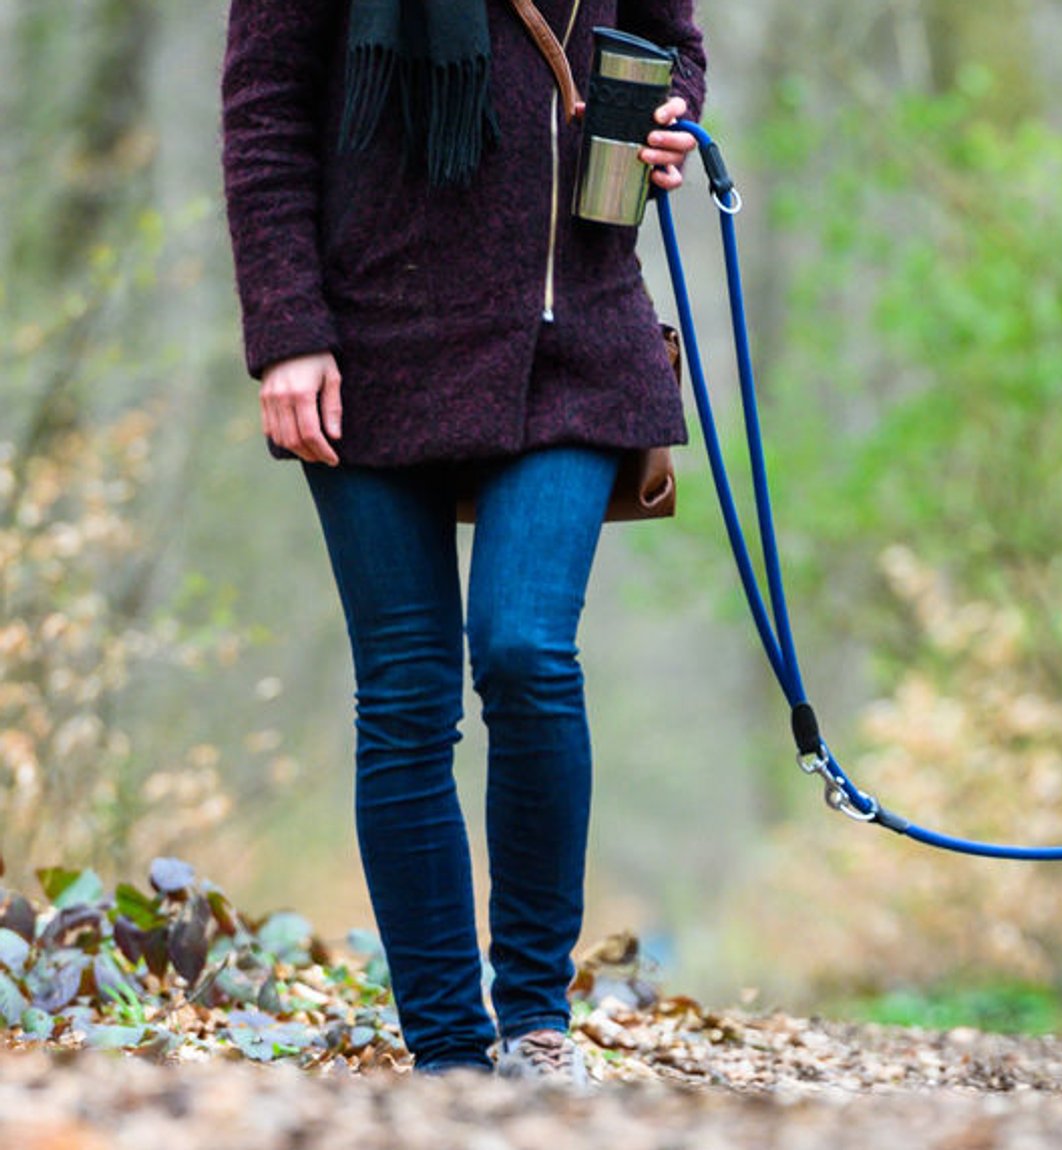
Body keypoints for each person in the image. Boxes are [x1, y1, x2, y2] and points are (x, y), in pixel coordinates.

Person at [220, 0, 707, 1084]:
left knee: (527, 650)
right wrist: (286, 331)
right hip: (368, 342)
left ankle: (535, 1022)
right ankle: (447, 1051)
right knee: (405, 691)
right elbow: (262, 114)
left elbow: (671, 41)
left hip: (569, 336)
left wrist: (671, 118)